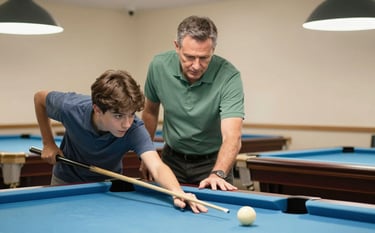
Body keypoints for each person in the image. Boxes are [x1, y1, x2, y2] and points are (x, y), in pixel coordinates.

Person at [33, 69, 207, 213]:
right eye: (118, 116)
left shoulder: (134, 129)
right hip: (66, 181)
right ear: (97, 110)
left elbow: (157, 166)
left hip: (109, 187)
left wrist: (177, 192)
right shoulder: (71, 108)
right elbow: (39, 98)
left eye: (131, 114)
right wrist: (48, 143)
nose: (127, 123)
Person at [141, 16, 244, 191]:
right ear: (177, 46)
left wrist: (218, 173)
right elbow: (150, 111)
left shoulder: (229, 76)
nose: (196, 65)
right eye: (189, 57)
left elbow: (232, 136)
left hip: (212, 163)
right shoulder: (158, 66)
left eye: (204, 58)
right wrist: (147, 157)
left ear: (213, 49)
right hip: (170, 161)